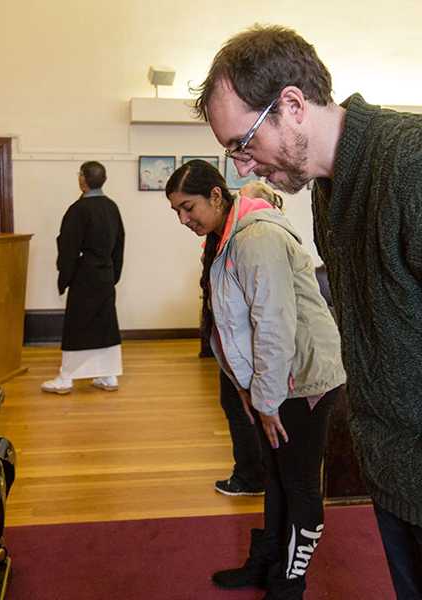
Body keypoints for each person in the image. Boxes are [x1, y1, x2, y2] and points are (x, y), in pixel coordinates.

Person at [195, 24, 422, 599]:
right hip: (393, 471)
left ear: (292, 105)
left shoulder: (409, 163)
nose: (242, 169)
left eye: (243, 144)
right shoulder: (326, 187)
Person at [166, 159, 345, 599]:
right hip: (275, 377)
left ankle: (290, 583)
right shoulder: (227, 237)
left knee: (299, 481)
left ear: (215, 196)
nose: (184, 220)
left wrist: (265, 401)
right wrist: (249, 390)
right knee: (276, 474)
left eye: (188, 208)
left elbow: (273, 325)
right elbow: (234, 326)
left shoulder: (258, 238)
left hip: (302, 379)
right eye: (177, 213)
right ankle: (267, 562)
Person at [209, 181, 283, 498]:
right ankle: (256, 472)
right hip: (236, 345)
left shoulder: (256, 240)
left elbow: (265, 314)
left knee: (248, 411)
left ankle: (252, 475)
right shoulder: (233, 239)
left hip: (249, 347)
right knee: (237, 406)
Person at [41, 161, 125, 394]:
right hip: (106, 274)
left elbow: (67, 247)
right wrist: (113, 273)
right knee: (105, 325)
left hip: (84, 275)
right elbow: (120, 244)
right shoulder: (112, 207)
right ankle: (109, 376)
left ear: (83, 180)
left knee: (77, 326)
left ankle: (66, 378)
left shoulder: (78, 210)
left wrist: (65, 276)